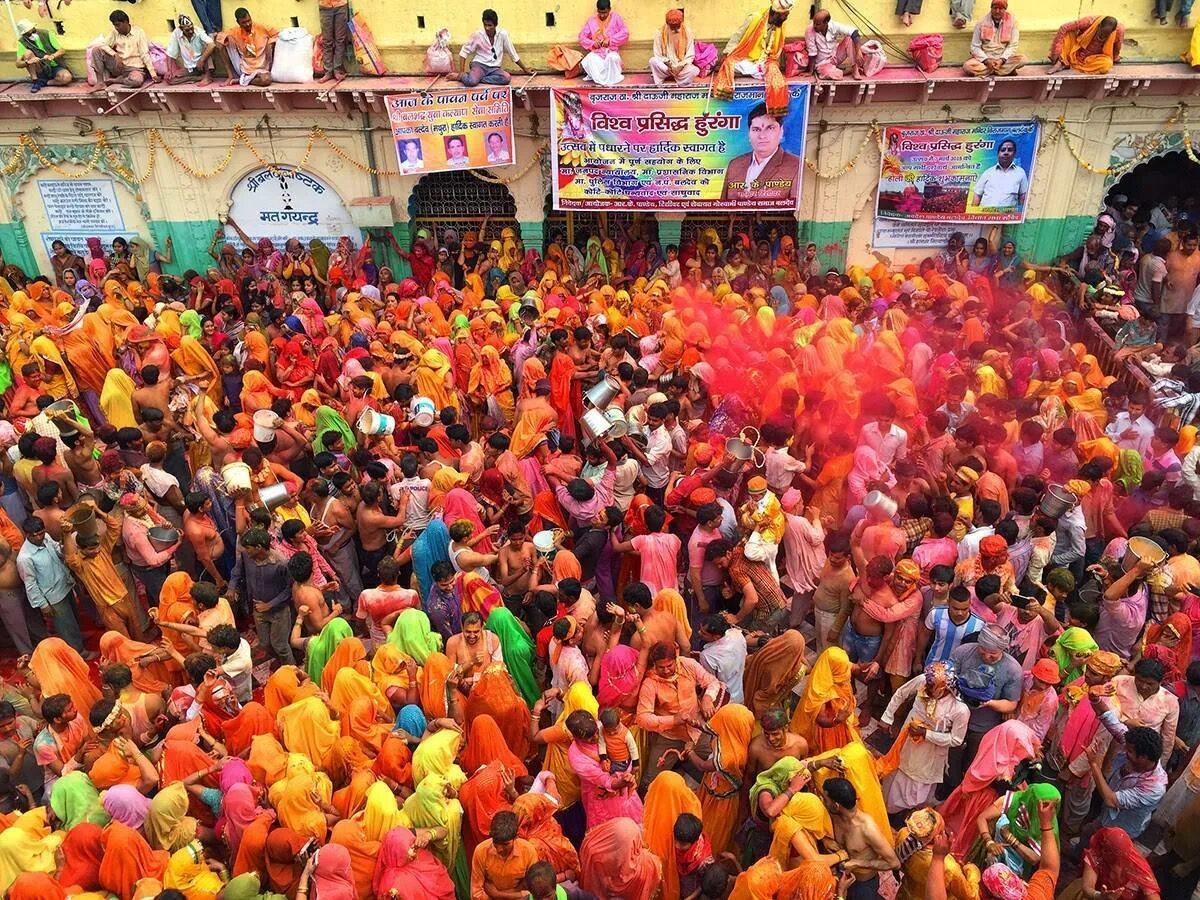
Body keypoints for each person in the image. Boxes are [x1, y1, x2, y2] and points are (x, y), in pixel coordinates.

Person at [713, 0, 792, 114]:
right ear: (776, 13)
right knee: (729, 64)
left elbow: (776, 49)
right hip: (746, 57)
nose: (786, 18)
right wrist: (726, 54)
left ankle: (776, 110)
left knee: (776, 79)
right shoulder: (755, 18)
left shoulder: (780, 25)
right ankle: (753, 72)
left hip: (765, 60)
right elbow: (737, 36)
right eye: (785, 15)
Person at [719, 103, 802, 206]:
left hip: (773, 222)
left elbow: (795, 211)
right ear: (749, 134)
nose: (762, 136)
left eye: (770, 128)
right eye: (756, 129)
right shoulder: (735, 165)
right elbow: (722, 207)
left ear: (781, 131)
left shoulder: (795, 166)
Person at [456, 9, 534, 86]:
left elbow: (513, 54)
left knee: (506, 78)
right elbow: (464, 51)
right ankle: (462, 76)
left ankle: (478, 78)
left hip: (494, 68)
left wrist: (525, 69)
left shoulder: (503, 34)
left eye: (490, 25)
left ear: (495, 24)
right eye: (485, 25)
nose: (487, 28)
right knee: (471, 82)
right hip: (479, 65)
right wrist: (461, 72)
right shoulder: (478, 34)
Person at [93, 9, 160, 89]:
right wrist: (115, 54)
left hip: (135, 69)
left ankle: (118, 80)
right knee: (96, 50)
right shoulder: (114, 33)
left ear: (126, 22)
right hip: (119, 67)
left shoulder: (139, 32)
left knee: (136, 81)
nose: (116, 28)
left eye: (118, 25)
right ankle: (100, 82)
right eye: (114, 25)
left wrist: (153, 74)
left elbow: (144, 54)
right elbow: (102, 44)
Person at [218, 6, 278, 87]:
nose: (247, 24)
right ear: (238, 22)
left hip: (262, 66)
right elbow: (219, 38)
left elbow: (277, 34)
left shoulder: (261, 27)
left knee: (266, 80)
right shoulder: (235, 31)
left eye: (249, 20)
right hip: (245, 68)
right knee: (221, 44)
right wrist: (226, 38)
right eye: (243, 22)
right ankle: (233, 77)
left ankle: (242, 80)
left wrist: (269, 43)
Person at [963, 0, 1026, 77]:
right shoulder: (981, 23)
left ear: (1005, 10)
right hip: (985, 60)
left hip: (1003, 59)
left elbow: (1013, 46)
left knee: (1022, 59)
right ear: (991, 8)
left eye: (1000, 9)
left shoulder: (1013, 23)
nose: (997, 11)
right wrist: (987, 61)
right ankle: (1004, 71)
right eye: (995, 8)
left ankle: (991, 71)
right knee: (967, 67)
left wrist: (1001, 60)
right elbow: (975, 47)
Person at [1048, 15, 1123, 75]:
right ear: (1099, 26)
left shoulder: (1118, 31)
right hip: (1075, 52)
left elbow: (1117, 47)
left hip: (1090, 59)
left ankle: (1076, 68)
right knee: (1069, 33)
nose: (1103, 36)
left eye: (1106, 34)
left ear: (1113, 31)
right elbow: (1064, 27)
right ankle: (1062, 62)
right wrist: (1055, 52)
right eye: (1102, 32)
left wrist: (1115, 57)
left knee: (1107, 64)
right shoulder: (1089, 21)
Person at [578, 0, 628, 86]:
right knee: (590, 58)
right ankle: (601, 81)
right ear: (597, 10)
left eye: (604, 12)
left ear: (609, 10)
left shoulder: (616, 18)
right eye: (600, 12)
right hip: (598, 54)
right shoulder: (591, 21)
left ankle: (611, 80)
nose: (602, 15)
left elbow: (625, 33)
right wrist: (592, 43)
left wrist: (610, 40)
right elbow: (581, 37)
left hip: (611, 52)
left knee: (612, 58)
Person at [15, 18, 72, 91]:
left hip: (54, 66)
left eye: (33, 31)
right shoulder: (22, 41)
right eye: (29, 34)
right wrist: (28, 62)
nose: (32, 34)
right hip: (39, 68)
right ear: (24, 35)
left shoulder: (46, 33)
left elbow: (62, 50)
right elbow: (18, 64)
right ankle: (35, 80)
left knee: (66, 77)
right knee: (27, 53)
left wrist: (52, 56)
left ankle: (45, 82)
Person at [806, 9, 862, 80]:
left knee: (849, 39)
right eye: (814, 23)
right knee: (835, 75)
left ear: (826, 22)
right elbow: (812, 53)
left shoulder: (834, 25)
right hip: (822, 63)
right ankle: (843, 71)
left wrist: (858, 51)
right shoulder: (810, 30)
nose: (814, 26)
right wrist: (810, 71)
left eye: (818, 24)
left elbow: (854, 32)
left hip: (835, 57)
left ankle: (855, 69)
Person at [649, 9, 698, 85]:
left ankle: (679, 80)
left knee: (694, 70)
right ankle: (667, 76)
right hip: (666, 67)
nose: (675, 30)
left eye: (677, 26)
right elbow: (658, 55)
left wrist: (680, 66)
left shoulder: (688, 32)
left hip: (681, 67)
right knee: (653, 61)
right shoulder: (659, 33)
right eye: (672, 27)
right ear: (667, 24)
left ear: (681, 23)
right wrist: (670, 66)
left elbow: (690, 55)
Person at [165, 15, 216, 84]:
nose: (191, 31)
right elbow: (170, 53)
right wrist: (169, 70)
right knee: (170, 80)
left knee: (207, 47)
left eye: (191, 28)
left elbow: (212, 45)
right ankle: (196, 78)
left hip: (202, 65)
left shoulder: (198, 31)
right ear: (181, 29)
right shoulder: (176, 33)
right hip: (190, 68)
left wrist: (201, 60)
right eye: (187, 30)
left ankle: (207, 76)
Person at [318, 0, 351, 82]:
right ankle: (328, 72)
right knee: (327, 41)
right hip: (325, 6)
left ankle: (337, 70)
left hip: (341, 5)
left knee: (340, 40)